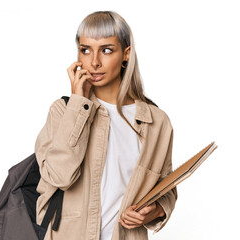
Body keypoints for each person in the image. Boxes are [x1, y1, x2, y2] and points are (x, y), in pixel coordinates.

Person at [35, 11, 177, 240]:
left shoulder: (156, 123)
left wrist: (154, 210)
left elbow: (167, 187)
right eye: (85, 50)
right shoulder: (62, 112)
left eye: (107, 50)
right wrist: (78, 105)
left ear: (126, 54)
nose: (94, 62)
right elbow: (59, 177)